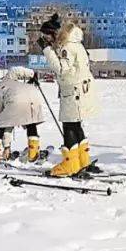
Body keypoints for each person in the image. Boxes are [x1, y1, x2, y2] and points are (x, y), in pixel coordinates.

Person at [38, 13, 99, 177]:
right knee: (76, 125)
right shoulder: (75, 44)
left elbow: (61, 69)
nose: (48, 41)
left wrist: (47, 51)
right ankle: (82, 160)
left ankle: (70, 164)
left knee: (69, 126)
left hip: (73, 91)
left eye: (47, 37)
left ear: (54, 34)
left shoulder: (67, 48)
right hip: (80, 89)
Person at [0, 67, 45, 164]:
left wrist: (7, 147)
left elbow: (5, 127)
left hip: (15, 98)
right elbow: (15, 70)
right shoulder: (7, 80)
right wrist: (32, 74)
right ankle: (33, 152)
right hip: (33, 93)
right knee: (30, 122)